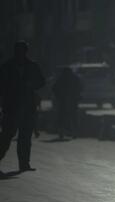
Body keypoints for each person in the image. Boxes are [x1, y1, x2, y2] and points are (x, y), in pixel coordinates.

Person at [0, 41, 46, 173]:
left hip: (28, 107)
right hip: (11, 107)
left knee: (25, 137)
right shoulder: (7, 67)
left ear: (25, 52)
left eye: (22, 51)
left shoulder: (32, 66)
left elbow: (41, 81)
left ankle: (24, 164)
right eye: (18, 51)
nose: (20, 54)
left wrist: (32, 84)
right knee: (6, 136)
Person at [52, 67, 82, 140]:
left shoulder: (61, 78)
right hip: (73, 100)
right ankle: (74, 132)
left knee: (62, 117)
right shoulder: (75, 78)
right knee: (73, 116)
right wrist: (77, 96)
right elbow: (80, 87)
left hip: (63, 100)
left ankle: (62, 133)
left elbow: (54, 88)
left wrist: (58, 96)